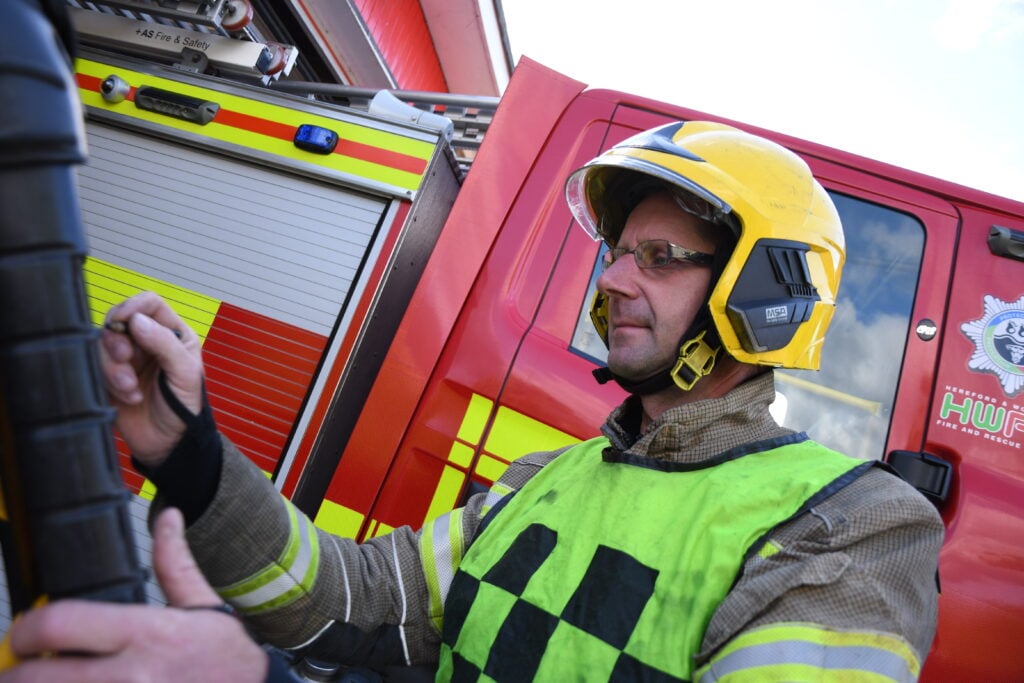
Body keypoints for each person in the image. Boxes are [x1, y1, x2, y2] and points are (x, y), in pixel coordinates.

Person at [0, 121, 943, 682]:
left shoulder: (853, 530)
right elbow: (345, 601)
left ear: (762, 287)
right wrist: (188, 449)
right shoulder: (543, 482)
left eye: (658, 257)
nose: (613, 278)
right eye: (617, 251)